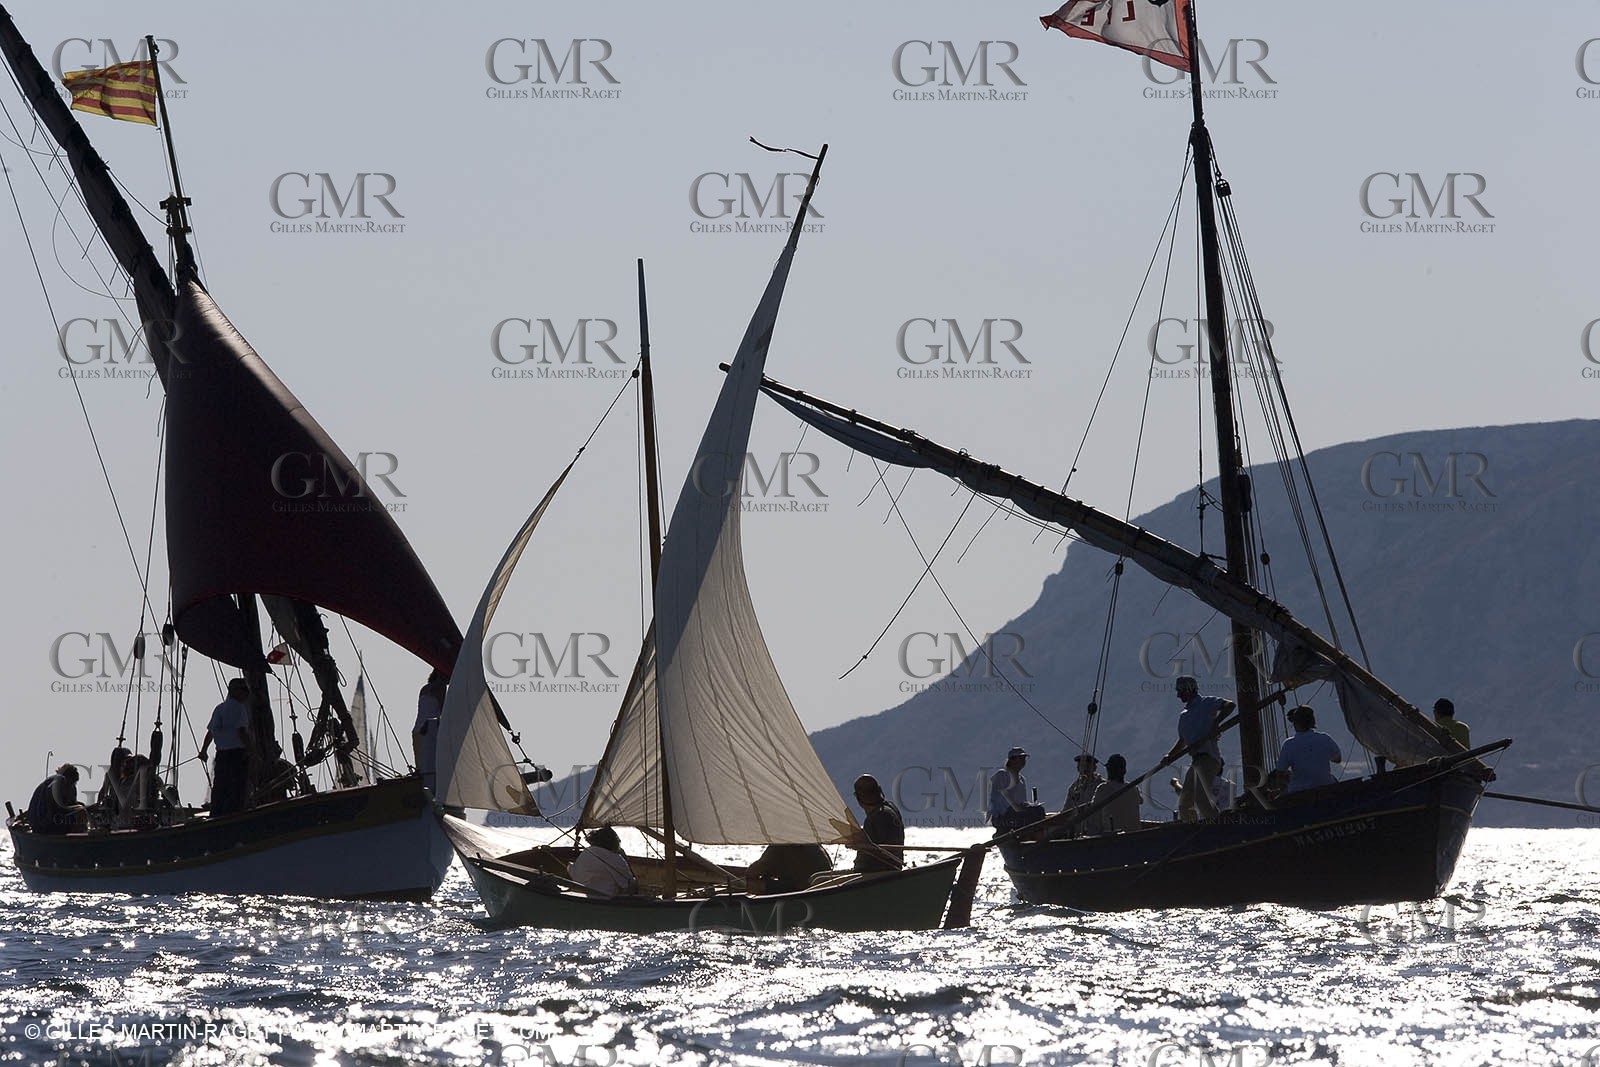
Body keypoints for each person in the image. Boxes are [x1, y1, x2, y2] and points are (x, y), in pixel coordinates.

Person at [1162, 675, 1234, 822]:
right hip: (1196, 761)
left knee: (1201, 798)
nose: (1178, 695)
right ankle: (1193, 830)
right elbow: (1182, 741)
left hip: (1209, 759)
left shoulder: (1206, 703)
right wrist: (1169, 755)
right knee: (1185, 803)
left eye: (1180, 691)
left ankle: (1218, 827)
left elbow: (1230, 705)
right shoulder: (1184, 716)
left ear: (1189, 690)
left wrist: (1216, 723)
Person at [200, 678, 253, 817]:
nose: (247, 694)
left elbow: (211, 732)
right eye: (244, 691)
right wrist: (251, 751)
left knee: (220, 787)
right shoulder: (239, 708)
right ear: (235, 691)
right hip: (237, 754)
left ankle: (217, 814)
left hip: (222, 755)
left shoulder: (220, 708)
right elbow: (241, 731)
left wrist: (203, 750)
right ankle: (236, 814)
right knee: (238, 788)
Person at [1273, 705, 1344, 794]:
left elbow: (1280, 773)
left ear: (1295, 724)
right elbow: (1337, 759)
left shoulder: (1289, 744)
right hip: (1326, 787)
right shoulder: (1324, 738)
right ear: (1312, 722)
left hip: (1299, 792)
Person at [851, 773, 904, 872]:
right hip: (890, 870)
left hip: (876, 873)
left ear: (857, 797)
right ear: (879, 790)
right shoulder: (891, 808)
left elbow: (879, 852)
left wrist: (860, 844)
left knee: (819, 880)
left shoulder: (878, 816)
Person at [568, 826, 639, 897]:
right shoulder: (614, 858)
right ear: (614, 842)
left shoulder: (586, 852)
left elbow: (573, 872)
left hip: (579, 896)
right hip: (604, 900)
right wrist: (625, 858)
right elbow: (629, 885)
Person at [988, 746, 1046, 832]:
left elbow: (1022, 802)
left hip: (1016, 813)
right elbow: (1002, 802)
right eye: (1020, 758)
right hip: (1002, 817)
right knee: (1033, 812)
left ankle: (1037, 835)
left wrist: (1030, 806)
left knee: (1039, 810)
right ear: (1012, 760)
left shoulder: (1022, 779)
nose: (1022, 761)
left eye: (1024, 758)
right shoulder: (1002, 775)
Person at [1086, 754, 1142, 834]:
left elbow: (1094, 818)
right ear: (1124, 771)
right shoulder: (1133, 788)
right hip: (1135, 835)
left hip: (1112, 837)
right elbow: (1140, 801)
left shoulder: (1103, 789)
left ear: (1109, 770)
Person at [746, 843, 832, 894]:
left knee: (754, 885)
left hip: (801, 889)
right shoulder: (814, 844)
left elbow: (752, 872)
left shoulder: (780, 845)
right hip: (824, 886)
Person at [26, 764, 87, 834]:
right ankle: (78, 839)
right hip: (44, 825)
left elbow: (70, 804)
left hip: (37, 824)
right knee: (80, 811)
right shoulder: (60, 779)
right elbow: (51, 792)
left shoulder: (57, 783)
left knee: (81, 807)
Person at [413, 669, 447, 791]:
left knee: (421, 770)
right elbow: (444, 711)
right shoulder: (441, 687)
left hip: (417, 731)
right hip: (429, 731)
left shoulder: (425, 688)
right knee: (431, 772)